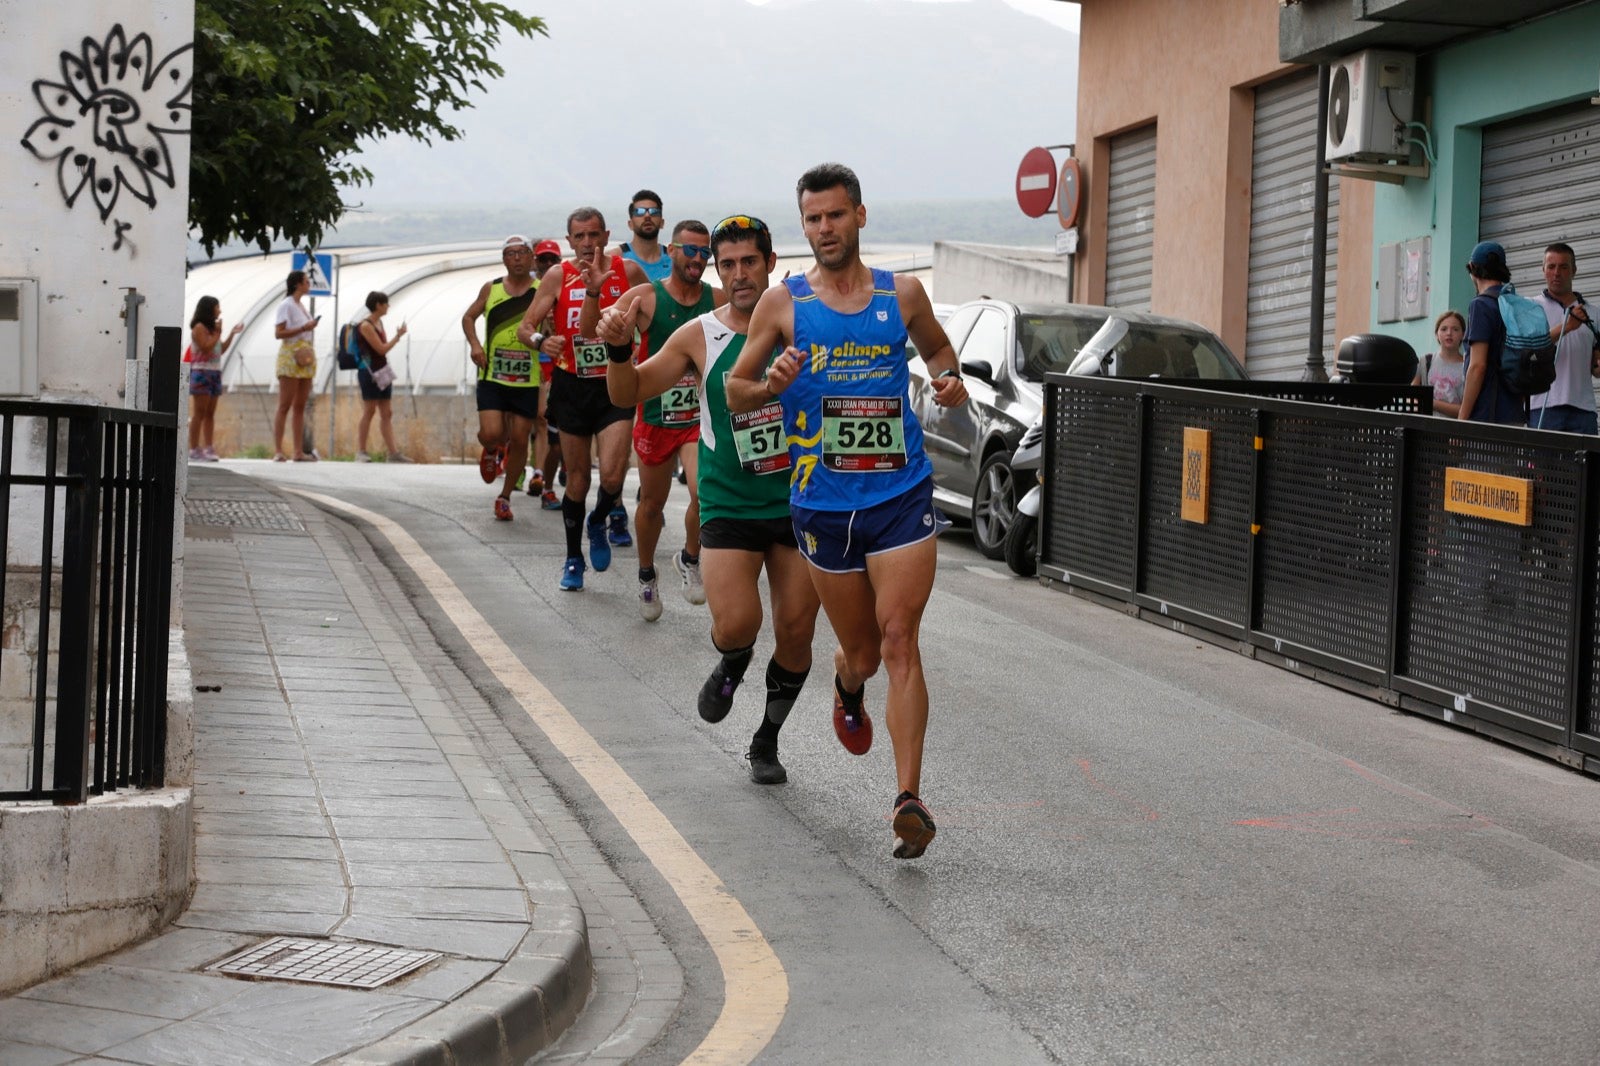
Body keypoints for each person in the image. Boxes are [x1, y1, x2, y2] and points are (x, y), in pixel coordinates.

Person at [727, 163, 967, 859]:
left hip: (899, 495)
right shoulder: (783, 303)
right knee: (862, 651)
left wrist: (948, 379)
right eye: (813, 219)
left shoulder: (905, 294)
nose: (825, 229)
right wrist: (768, 382)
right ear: (803, 225)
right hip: (823, 505)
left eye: (835, 215)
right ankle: (846, 682)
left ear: (860, 216)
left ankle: (908, 799)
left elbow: (939, 353)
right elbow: (738, 391)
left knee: (899, 640)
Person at [601, 214, 820, 783]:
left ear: (771, 263)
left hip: (798, 504)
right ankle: (733, 660)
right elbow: (630, 391)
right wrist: (619, 351)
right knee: (737, 625)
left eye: (750, 261)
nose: (740, 274)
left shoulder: (808, 323)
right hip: (729, 504)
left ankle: (766, 740)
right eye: (728, 265)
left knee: (797, 634)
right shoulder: (701, 334)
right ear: (717, 271)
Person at [588, 220, 725, 619]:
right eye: (691, 250)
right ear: (671, 251)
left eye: (705, 253)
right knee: (652, 504)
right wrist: (601, 305)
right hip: (654, 414)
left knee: (704, 492)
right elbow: (600, 328)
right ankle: (647, 574)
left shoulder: (716, 299)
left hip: (697, 417)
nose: (698, 259)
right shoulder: (647, 297)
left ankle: (689, 557)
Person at [516, 208, 648, 589]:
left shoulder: (628, 272)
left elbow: (649, 322)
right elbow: (526, 327)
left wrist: (644, 353)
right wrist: (544, 340)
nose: (588, 243)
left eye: (594, 235)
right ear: (569, 241)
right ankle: (574, 557)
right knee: (577, 480)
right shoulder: (558, 275)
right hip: (571, 385)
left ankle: (599, 519)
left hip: (615, 384)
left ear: (606, 236)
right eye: (580, 237)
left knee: (612, 472)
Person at [463, 235, 543, 520]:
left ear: (532, 257)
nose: (518, 258)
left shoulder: (541, 290)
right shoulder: (492, 288)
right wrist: (475, 345)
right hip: (492, 374)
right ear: (504, 259)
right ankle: (490, 448)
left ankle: (505, 496)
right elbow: (468, 317)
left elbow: (554, 322)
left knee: (521, 439)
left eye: (523, 253)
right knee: (492, 432)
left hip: (527, 378)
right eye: (511, 253)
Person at [1529, 242, 1600, 434]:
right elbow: (1527, 350)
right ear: (1543, 270)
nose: (1557, 273)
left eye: (1563, 267)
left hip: (1583, 409)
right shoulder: (1531, 307)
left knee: (1588, 465)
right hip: (1543, 406)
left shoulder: (1594, 312)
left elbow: (1596, 367)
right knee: (1544, 465)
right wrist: (1567, 327)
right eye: (1551, 266)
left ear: (1574, 270)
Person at [1459, 241, 1526, 426]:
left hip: (1486, 416)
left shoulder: (1480, 305)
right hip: (1514, 414)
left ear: (1472, 268)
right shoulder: (1515, 303)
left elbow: (1477, 366)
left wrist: (1461, 420)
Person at [527, 239, 566, 508]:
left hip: (564, 364)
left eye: (554, 260)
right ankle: (538, 473)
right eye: (544, 260)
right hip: (537, 362)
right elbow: (524, 329)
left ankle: (550, 472)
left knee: (554, 426)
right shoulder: (533, 291)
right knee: (540, 420)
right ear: (536, 263)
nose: (549, 265)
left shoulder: (569, 286)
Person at [354, 290, 412, 463]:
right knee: (369, 410)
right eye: (385, 303)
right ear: (378, 305)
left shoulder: (378, 323)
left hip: (383, 370)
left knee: (387, 412)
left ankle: (393, 453)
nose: (388, 306)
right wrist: (398, 337)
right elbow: (381, 349)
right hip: (370, 372)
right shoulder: (365, 326)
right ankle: (361, 451)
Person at [272, 270, 320, 461]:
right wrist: (303, 328)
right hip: (291, 355)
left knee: (300, 405)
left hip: (305, 355)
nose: (309, 284)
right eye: (306, 282)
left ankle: (298, 451)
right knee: (285, 404)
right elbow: (278, 333)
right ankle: (278, 450)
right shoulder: (287, 305)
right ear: (298, 284)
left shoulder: (301, 306)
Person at [187, 295, 242, 461]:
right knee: (199, 412)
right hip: (201, 372)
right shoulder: (199, 327)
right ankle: (194, 447)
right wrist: (218, 333)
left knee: (210, 412)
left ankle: (209, 446)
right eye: (217, 307)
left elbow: (219, 349)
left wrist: (231, 334)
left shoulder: (213, 330)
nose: (220, 310)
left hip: (214, 372)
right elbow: (205, 347)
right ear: (209, 308)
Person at [1410, 310, 1465, 418]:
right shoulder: (1425, 361)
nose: (1449, 333)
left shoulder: (1467, 367)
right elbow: (1412, 395)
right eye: (1444, 329)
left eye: (1455, 329)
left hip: (1454, 431)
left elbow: (1465, 409)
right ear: (1437, 334)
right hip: (1427, 429)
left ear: (1463, 335)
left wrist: (1432, 403)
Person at [612, 188, 672, 283]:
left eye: (654, 212)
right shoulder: (615, 258)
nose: (647, 216)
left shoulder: (674, 260)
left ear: (662, 223)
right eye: (639, 212)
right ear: (630, 224)